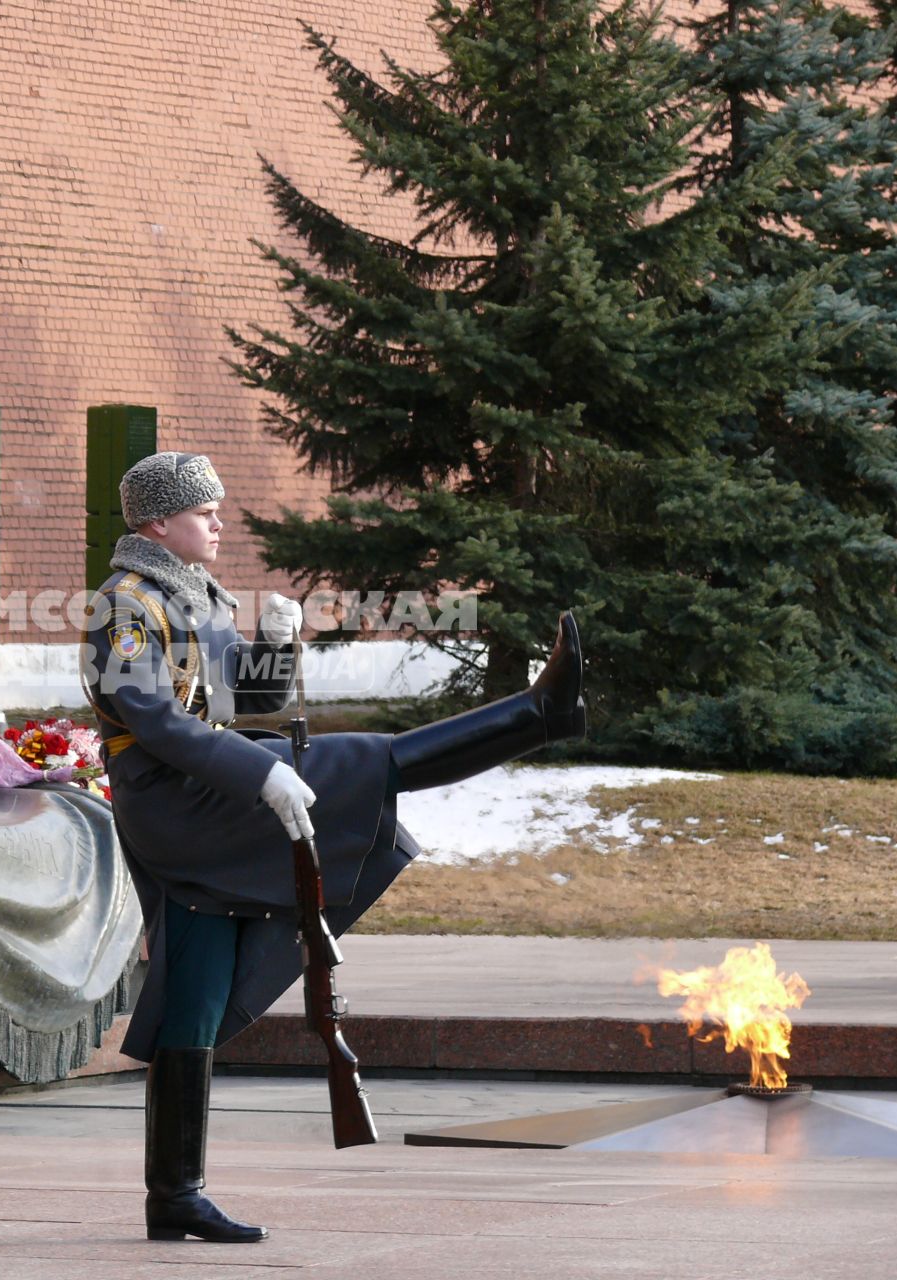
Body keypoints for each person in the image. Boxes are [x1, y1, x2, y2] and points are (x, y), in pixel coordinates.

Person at [82, 451, 585, 1244]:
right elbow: (153, 719)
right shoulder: (122, 605)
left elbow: (244, 705)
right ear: (156, 524)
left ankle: (174, 1194)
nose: (219, 521)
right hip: (173, 803)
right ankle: (534, 715)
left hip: (209, 797)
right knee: (363, 761)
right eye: (204, 510)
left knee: (197, 993)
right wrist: (259, 775)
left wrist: (273, 652)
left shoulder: (195, 594)